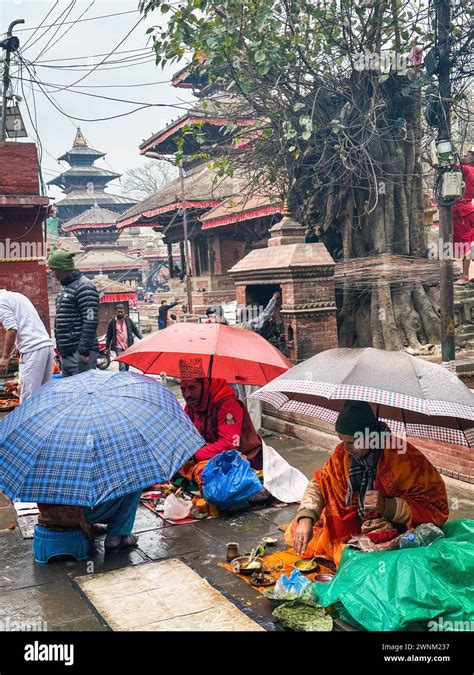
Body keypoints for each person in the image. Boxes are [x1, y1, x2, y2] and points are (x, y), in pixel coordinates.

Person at [288, 400, 449, 568]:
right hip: (352, 526)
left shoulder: (403, 457)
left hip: (396, 530)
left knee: (385, 565)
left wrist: (387, 506)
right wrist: (306, 517)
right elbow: (321, 483)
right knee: (303, 529)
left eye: (351, 442)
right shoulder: (343, 454)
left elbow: (435, 509)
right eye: (343, 441)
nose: (346, 448)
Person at [178, 357, 263, 489]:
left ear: (204, 385)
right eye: (183, 389)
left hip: (242, 458)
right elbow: (185, 433)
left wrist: (195, 455)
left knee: (205, 475)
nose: (187, 394)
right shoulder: (192, 405)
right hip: (210, 454)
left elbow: (230, 445)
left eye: (192, 388)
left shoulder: (228, 404)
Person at [47, 246, 99, 377]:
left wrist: (84, 351)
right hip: (67, 353)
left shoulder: (84, 287)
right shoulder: (67, 288)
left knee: (83, 393)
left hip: (79, 353)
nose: (53, 273)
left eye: (54, 270)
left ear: (62, 268)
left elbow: (90, 320)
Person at [37, 491, 141, 551]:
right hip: (74, 512)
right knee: (134, 486)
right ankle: (117, 536)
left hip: (48, 513)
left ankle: (93, 525)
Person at [0, 289, 54, 402]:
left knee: (28, 399)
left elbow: (12, 329)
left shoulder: (1, 302)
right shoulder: (16, 296)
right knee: (43, 396)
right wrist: (17, 346)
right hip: (46, 346)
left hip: (33, 349)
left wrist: (5, 358)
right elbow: (26, 324)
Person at [453, 147, 474, 285]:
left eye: (468, 154)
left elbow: (450, 167)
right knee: (468, 244)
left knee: (465, 245)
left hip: (462, 213)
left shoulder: (465, 169)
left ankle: (465, 276)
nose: (465, 156)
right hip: (468, 211)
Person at [105, 304, 142, 372]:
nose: (120, 313)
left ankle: (125, 377)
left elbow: (135, 330)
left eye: (121, 312)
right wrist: (107, 348)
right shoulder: (112, 322)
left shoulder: (128, 320)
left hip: (128, 346)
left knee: (127, 364)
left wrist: (142, 339)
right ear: (115, 312)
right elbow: (109, 335)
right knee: (122, 365)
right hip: (118, 346)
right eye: (118, 312)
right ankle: (122, 377)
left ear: (124, 312)